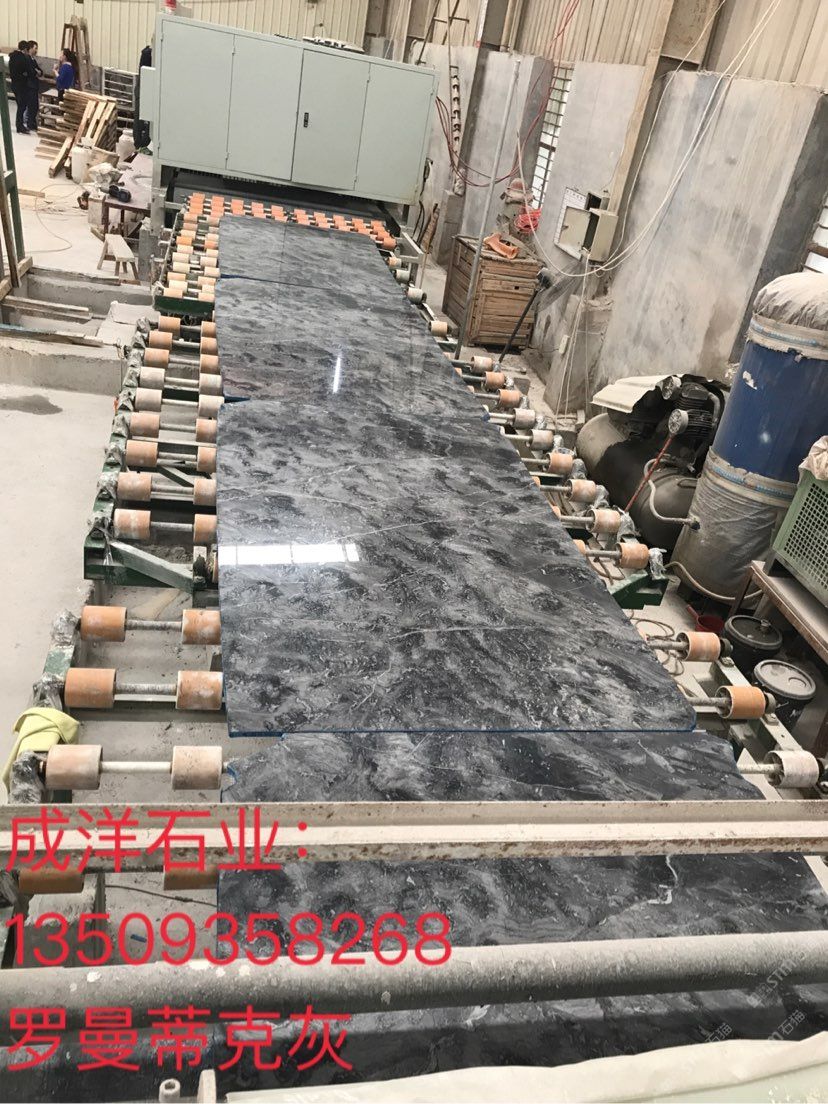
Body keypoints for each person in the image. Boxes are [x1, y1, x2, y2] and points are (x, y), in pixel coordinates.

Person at [8, 41, 30, 134]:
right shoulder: (22, 58)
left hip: (14, 84)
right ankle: (19, 126)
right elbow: (27, 71)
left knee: (20, 105)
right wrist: (25, 75)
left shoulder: (12, 57)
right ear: (25, 49)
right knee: (22, 105)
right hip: (21, 85)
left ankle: (19, 125)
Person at [25, 40, 43, 133]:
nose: (36, 50)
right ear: (30, 48)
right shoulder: (27, 59)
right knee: (31, 105)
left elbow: (40, 71)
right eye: (35, 48)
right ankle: (30, 123)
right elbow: (31, 72)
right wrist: (36, 72)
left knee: (35, 106)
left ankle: (32, 123)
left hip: (34, 85)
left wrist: (38, 72)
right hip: (30, 86)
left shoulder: (33, 60)